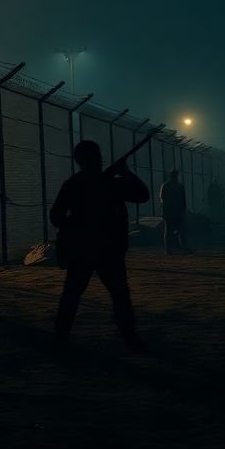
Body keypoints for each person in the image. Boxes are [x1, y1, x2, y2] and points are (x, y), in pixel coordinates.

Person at [50, 140, 151, 353]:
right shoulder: (110, 183)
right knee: (120, 295)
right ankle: (130, 339)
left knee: (72, 294)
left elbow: (56, 216)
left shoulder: (74, 183)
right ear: (98, 159)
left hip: (82, 250)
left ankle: (60, 338)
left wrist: (75, 227)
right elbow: (143, 195)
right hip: (109, 249)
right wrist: (126, 173)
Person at [159, 169, 189, 254]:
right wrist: (184, 211)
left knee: (168, 231)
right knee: (181, 230)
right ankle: (184, 248)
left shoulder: (165, 185)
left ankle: (168, 250)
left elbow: (162, 199)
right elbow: (183, 201)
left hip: (169, 212)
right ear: (177, 176)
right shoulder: (180, 186)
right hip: (178, 212)